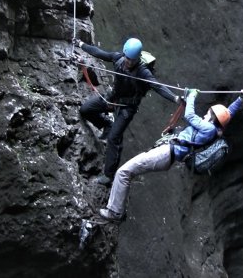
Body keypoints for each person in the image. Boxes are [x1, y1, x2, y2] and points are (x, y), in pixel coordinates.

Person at [99, 88, 243, 222]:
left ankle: (115, 212)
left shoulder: (208, 128)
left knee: (124, 172)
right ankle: (117, 209)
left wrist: (191, 95)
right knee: (127, 172)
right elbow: (227, 114)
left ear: (213, 118)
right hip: (167, 153)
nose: (205, 114)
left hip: (166, 153)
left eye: (208, 113)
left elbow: (189, 115)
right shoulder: (214, 129)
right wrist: (241, 98)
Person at [72, 37, 182, 185]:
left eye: (131, 60)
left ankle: (108, 176)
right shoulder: (119, 58)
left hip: (127, 108)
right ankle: (106, 124)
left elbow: (158, 86)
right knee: (85, 110)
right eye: (127, 58)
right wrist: (81, 44)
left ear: (137, 59)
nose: (128, 62)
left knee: (114, 138)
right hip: (112, 98)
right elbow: (99, 53)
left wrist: (175, 99)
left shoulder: (143, 73)